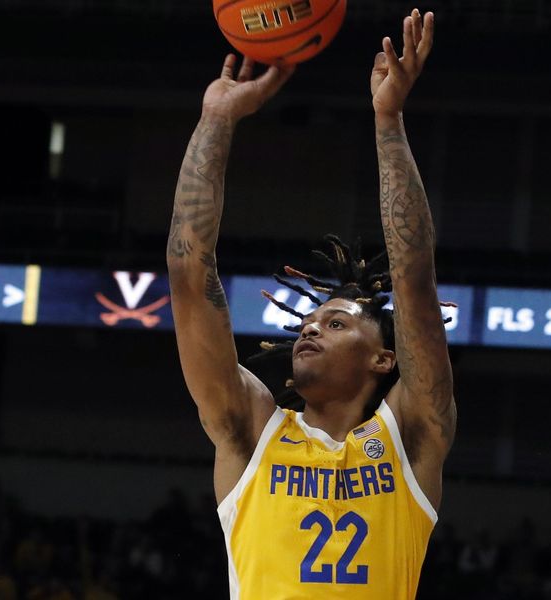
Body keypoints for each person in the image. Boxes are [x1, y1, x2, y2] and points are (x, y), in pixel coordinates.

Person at [166, 8, 455, 599]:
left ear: (384, 359)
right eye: (310, 319)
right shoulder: (250, 433)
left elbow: (414, 281)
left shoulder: (412, 436)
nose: (310, 329)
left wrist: (388, 121)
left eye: (338, 321)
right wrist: (216, 119)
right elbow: (189, 278)